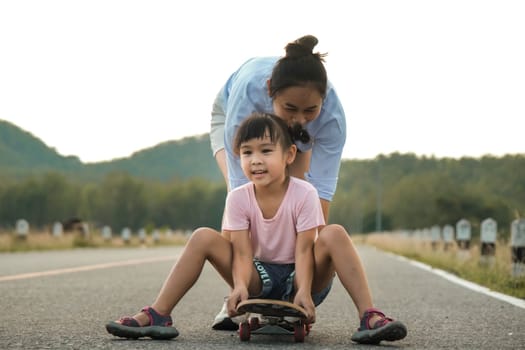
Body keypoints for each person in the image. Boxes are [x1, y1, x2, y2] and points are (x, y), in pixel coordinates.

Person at [105, 112, 407, 345]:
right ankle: (158, 313)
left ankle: (369, 316)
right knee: (202, 237)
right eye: (247, 153)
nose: (256, 160)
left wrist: (303, 290)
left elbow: (304, 250)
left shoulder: (304, 194)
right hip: (256, 274)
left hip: (305, 277)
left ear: (288, 155)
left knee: (334, 233)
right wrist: (238, 287)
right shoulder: (238, 198)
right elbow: (241, 251)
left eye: (265, 151)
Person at [210, 34, 345, 329]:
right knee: (246, 198)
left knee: (296, 195)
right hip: (234, 112)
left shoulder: (332, 119)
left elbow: (319, 195)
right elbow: (241, 188)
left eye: (310, 110)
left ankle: (286, 289)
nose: (298, 119)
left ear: (323, 102)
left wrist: (305, 283)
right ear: (271, 90)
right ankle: (238, 294)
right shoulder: (248, 95)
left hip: (290, 134)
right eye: (290, 109)